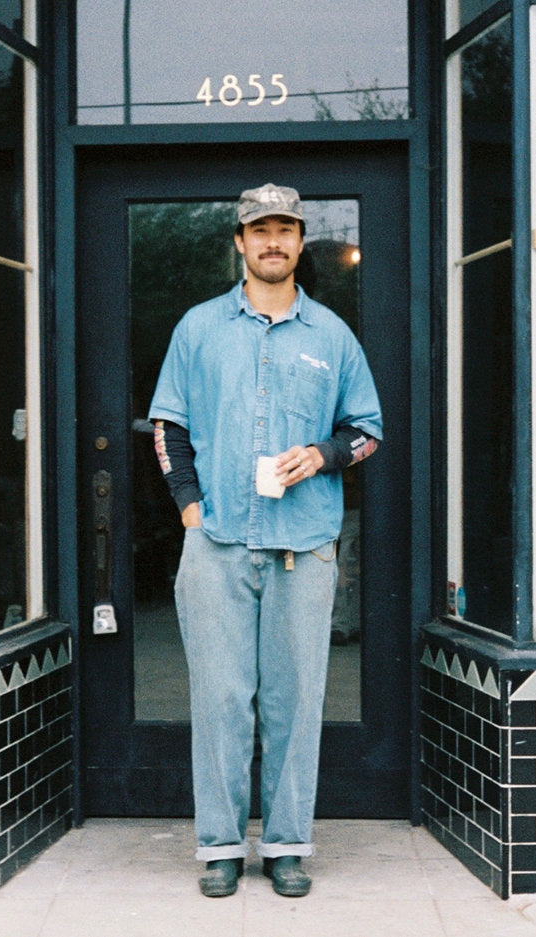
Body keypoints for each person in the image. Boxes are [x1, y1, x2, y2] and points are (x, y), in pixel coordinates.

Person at [148, 183, 382, 898]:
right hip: (216, 540)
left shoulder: (332, 336)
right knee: (221, 698)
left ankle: (285, 844)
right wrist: (189, 509)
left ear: (300, 242)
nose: (273, 241)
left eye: (286, 229)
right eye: (260, 230)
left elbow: (367, 430)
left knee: (294, 698)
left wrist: (322, 455)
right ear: (240, 243)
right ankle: (220, 844)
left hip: (304, 544)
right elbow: (168, 427)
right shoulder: (198, 329)